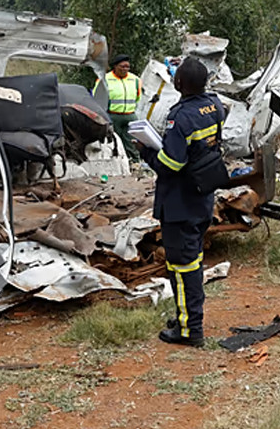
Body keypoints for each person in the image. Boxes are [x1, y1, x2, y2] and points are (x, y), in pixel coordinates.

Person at [139, 58, 224, 347]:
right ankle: (185, 315)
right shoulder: (214, 106)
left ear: (178, 84)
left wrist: (146, 151)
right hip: (201, 196)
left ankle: (190, 330)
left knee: (184, 265)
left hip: (180, 201)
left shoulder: (181, 118)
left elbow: (171, 163)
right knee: (191, 260)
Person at [94, 54, 143, 160]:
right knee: (113, 141)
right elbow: (97, 98)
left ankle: (134, 162)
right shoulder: (105, 79)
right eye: (122, 66)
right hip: (112, 116)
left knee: (131, 141)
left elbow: (138, 97)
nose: (125, 69)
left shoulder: (135, 80)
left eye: (127, 67)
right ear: (115, 66)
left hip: (130, 116)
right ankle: (115, 162)